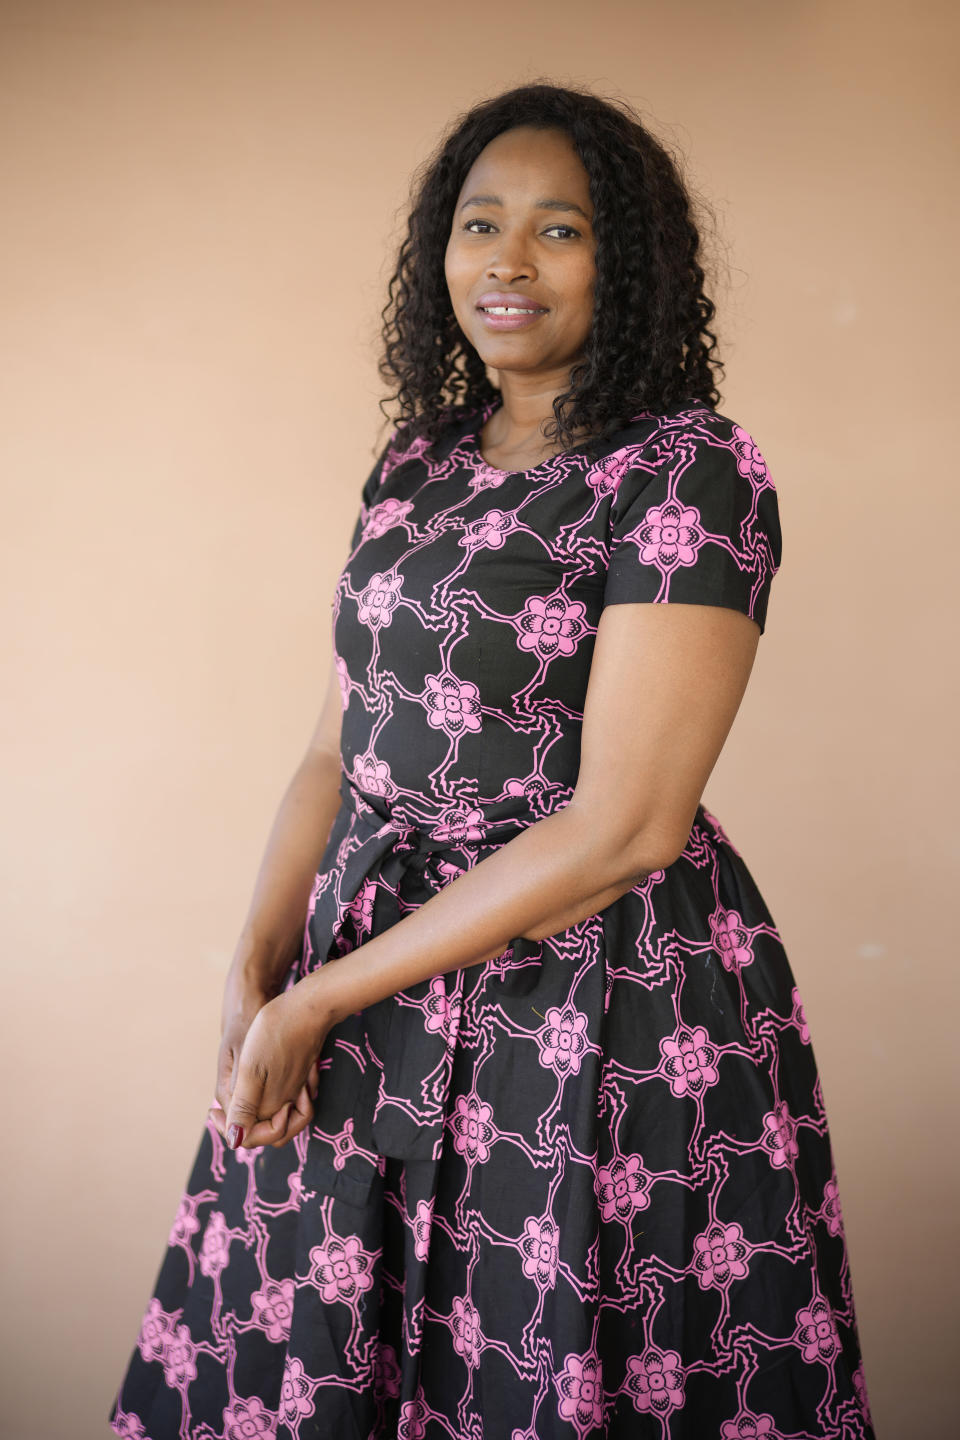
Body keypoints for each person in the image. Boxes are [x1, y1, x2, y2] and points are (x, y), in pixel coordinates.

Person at [110, 81, 874, 1440]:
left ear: (626, 263)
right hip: (366, 987)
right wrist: (257, 965)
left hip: (585, 1007)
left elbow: (629, 826)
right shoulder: (416, 464)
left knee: (551, 1368)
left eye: (559, 229)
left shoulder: (691, 470)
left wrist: (320, 997)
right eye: (479, 224)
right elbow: (334, 747)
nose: (507, 260)